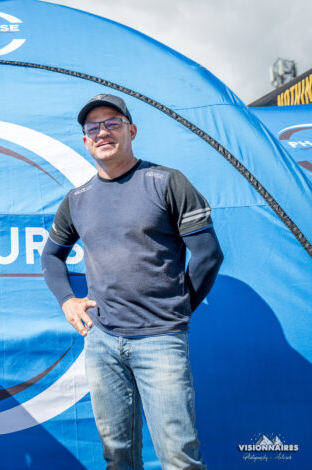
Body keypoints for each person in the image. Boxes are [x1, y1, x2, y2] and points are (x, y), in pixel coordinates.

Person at [41, 94, 223, 469]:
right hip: (102, 342)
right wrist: (67, 300)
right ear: (85, 140)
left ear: (132, 131)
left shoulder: (167, 182)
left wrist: (178, 308)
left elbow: (208, 254)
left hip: (160, 339)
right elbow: (51, 256)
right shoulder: (77, 199)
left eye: (112, 123)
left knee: (179, 456)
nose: (102, 132)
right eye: (93, 127)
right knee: (118, 457)